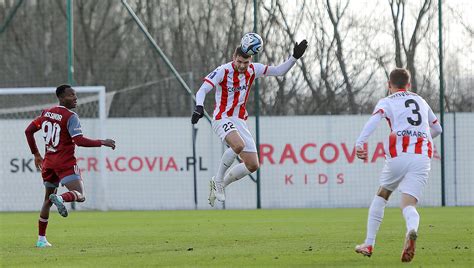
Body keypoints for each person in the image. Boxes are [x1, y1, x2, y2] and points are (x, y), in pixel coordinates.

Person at [191, 39, 308, 207]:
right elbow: (203, 89)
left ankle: (221, 184)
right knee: (237, 145)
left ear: (250, 60)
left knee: (253, 165)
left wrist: (294, 57)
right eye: (239, 61)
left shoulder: (253, 70)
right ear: (234, 58)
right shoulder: (223, 71)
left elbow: (278, 71)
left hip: (239, 120)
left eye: (245, 62)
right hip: (222, 116)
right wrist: (199, 107)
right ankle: (218, 180)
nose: (242, 65)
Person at [353, 68, 442, 262]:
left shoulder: (387, 101)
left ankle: (369, 243)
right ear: (409, 85)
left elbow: (373, 120)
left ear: (389, 85)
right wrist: (423, 138)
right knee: (408, 205)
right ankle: (411, 229)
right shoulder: (421, 100)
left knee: (382, 194)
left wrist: (360, 143)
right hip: (421, 158)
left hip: (399, 155)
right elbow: (437, 128)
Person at [25, 84, 116, 248]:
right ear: (61, 98)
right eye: (71, 95)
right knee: (80, 195)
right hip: (65, 163)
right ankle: (61, 198)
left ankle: (41, 239)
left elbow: (28, 131)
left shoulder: (46, 113)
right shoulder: (70, 116)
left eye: (75, 95)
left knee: (47, 200)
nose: (75, 98)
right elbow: (79, 141)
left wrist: (37, 154)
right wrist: (102, 142)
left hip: (48, 163)